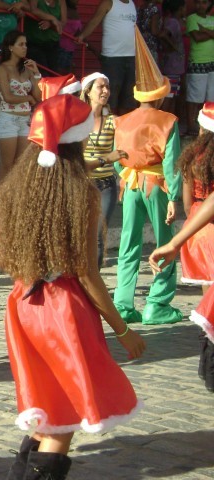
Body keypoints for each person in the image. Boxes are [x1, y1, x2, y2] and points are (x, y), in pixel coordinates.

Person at [0, 94, 145, 480]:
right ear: (78, 139)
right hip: (63, 311)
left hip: (24, 304)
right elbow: (87, 273)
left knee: (47, 404)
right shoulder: (80, 193)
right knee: (65, 413)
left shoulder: (19, 186)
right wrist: (122, 329)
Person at [113, 27, 183, 325]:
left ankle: (122, 304)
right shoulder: (168, 121)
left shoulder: (122, 121)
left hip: (130, 184)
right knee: (165, 243)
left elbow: (117, 159)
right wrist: (174, 197)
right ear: (160, 95)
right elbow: (172, 163)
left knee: (128, 245)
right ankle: (157, 304)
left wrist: (126, 176)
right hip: (156, 186)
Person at [149, 102, 214, 393]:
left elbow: (188, 205)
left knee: (208, 301)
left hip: (197, 232)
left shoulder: (191, 159)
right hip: (209, 230)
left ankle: (207, 363)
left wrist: (187, 233)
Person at [80, 72, 128, 268]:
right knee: (80, 234)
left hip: (106, 184)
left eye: (107, 87)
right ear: (88, 91)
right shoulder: (77, 120)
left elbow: (123, 150)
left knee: (98, 235)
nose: (106, 91)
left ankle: (94, 277)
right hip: (81, 184)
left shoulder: (114, 121)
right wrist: (106, 158)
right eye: (100, 86)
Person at [0, 30, 42, 185]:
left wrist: (36, 74)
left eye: (26, 44)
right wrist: (28, 98)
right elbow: (8, 97)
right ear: (10, 47)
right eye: (21, 44)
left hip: (25, 120)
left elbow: (39, 97)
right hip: (8, 119)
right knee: (6, 164)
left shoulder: (27, 69)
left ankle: (13, 197)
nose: (25, 48)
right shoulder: (2, 69)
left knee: (20, 166)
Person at [177, 102, 214, 289]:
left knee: (207, 286)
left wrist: (193, 219)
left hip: (197, 223)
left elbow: (186, 203)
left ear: (202, 129)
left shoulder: (191, 158)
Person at [77, 0, 137, 115]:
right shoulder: (109, 2)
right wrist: (82, 36)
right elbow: (94, 21)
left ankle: (124, 125)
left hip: (131, 57)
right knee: (110, 97)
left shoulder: (132, 4)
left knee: (128, 99)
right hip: (113, 58)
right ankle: (108, 124)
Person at [0, 0, 29, 115]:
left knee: (4, 69)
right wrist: (15, 8)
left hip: (9, 38)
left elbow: (28, 6)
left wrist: (21, 5)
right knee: (1, 70)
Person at [185, 0, 214, 136]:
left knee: (210, 98)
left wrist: (205, 30)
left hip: (212, 63)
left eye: (204, 3)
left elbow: (202, 35)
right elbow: (197, 37)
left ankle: (208, 126)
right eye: (198, 3)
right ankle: (191, 126)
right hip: (197, 62)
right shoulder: (192, 18)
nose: (200, 6)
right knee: (194, 97)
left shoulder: (212, 19)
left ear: (209, 4)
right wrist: (211, 33)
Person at [24, 0, 66, 76]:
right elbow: (33, 10)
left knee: (54, 74)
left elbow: (63, 22)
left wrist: (50, 24)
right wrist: (53, 18)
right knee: (41, 74)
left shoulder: (61, 1)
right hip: (35, 43)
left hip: (53, 43)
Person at [159, 0, 186, 116]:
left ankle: (170, 120)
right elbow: (163, 34)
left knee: (173, 94)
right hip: (173, 66)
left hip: (175, 66)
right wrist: (174, 46)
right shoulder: (173, 22)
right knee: (169, 96)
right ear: (180, 9)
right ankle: (163, 120)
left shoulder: (171, 21)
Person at [58, 0, 81, 74]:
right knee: (60, 72)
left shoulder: (74, 12)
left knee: (68, 74)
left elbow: (78, 33)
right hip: (61, 48)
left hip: (70, 49)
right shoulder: (62, 11)